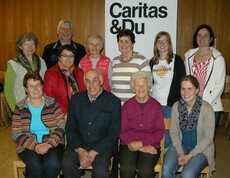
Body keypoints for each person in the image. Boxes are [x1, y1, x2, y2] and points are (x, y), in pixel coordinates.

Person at [62, 69, 121, 178]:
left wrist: (94, 152)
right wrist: (80, 150)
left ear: (101, 81)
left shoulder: (114, 102)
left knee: (101, 173)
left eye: (95, 80)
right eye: (88, 81)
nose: (91, 85)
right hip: (79, 144)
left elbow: (114, 133)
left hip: (102, 147)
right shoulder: (76, 99)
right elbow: (70, 128)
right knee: (67, 164)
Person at [12, 71, 65, 178]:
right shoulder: (19, 107)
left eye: (38, 85)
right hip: (28, 145)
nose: (35, 89)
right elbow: (16, 133)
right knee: (36, 165)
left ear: (42, 86)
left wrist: (49, 144)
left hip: (52, 142)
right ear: (26, 89)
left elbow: (61, 126)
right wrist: (35, 145)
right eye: (31, 86)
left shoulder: (52, 103)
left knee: (53, 164)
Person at [162, 75, 215, 178]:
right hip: (180, 145)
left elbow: (208, 138)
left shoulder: (207, 109)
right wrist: (180, 152)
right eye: (183, 89)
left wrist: (190, 155)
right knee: (166, 169)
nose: (186, 93)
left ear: (197, 90)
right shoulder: (176, 106)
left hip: (201, 149)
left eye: (190, 89)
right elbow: (173, 133)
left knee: (187, 175)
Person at [119, 71, 165, 178]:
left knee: (145, 171)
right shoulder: (127, 105)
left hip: (151, 144)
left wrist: (141, 143)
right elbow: (122, 130)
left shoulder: (156, 106)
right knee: (126, 169)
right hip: (128, 143)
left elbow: (159, 132)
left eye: (144, 85)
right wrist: (139, 146)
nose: (141, 88)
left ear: (148, 87)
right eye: (137, 85)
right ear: (133, 88)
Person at [149, 31, 186, 148]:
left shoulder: (177, 60)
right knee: (156, 132)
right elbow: (151, 83)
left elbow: (183, 82)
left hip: (171, 104)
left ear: (169, 44)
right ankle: (157, 158)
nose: (162, 43)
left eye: (165, 41)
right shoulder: (152, 62)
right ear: (156, 44)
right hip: (155, 104)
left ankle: (167, 158)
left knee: (170, 134)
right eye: (159, 41)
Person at [184, 24, 226, 126]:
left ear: (211, 39)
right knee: (192, 137)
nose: (202, 38)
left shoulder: (218, 59)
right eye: (199, 35)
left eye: (205, 35)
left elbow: (219, 86)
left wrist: (202, 104)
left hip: (210, 105)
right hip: (190, 104)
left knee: (207, 139)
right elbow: (186, 81)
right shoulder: (189, 56)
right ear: (196, 38)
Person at [4, 32, 47, 111]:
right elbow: (8, 90)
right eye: (26, 44)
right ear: (20, 46)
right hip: (21, 106)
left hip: (40, 105)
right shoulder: (13, 64)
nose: (30, 47)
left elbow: (45, 84)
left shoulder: (42, 62)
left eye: (32, 44)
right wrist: (15, 109)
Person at [111, 29, 151, 105]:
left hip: (134, 108)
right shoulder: (115, 61)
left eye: (126, 41)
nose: (123, 44)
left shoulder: (141, 60)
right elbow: (113, 87)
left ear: (132, 44)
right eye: (121, 41)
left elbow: (149, 87)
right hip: (117, 108)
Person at [43, 44, 85, 115]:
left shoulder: (80, 72)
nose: (68, 59)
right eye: (65, 56)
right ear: (59, 57)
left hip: (79, 113)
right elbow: (48, 99)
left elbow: (84, 95)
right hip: (60, 115)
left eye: (71, 56)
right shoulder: (50, 74)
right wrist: (63, 114)